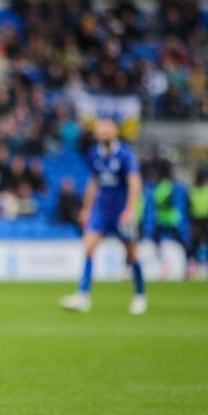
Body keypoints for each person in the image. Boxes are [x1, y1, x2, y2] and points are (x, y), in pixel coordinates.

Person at [60, 119, 147, 315]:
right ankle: (83, 295)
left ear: (115, 131)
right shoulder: (94, 154)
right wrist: (86, 209)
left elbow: (135, 183)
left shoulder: (125, 155)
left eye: (107, 128)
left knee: (132, 254)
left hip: (121, 212)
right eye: (100, 128)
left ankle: (140, 295)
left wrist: (130, 210)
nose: (103, 131)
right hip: (102, 211)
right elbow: (94, 182)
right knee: (88, 247)